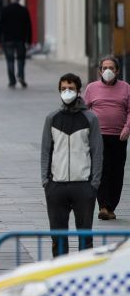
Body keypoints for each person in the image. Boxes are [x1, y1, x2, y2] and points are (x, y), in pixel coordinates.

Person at [41, 73, 103, 255]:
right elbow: (45, 151)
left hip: (83, 185)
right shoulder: (51, 118)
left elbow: (97, 152)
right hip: (56, 186)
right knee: (58, 238)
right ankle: (60, 276)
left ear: (78, 91)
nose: (67, 92)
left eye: (71, 88)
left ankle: (84, 276)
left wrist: (94, 184)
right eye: (63, 89)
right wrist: (46, 181)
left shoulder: (90, 119)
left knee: (85, 238)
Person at [84, 55, 130, 220]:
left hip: (119, 137)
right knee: (101, 171)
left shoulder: (126, 88)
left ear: (117, 71)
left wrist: (127, 128)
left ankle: (111, 207)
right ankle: (103, 206)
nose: (108, 71)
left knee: (116, 172)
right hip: (99, 136)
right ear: (100, 71)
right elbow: (84, 110)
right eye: (105, 68)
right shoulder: (91, 88)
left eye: (111, 68)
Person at [0, 0, 31, 88]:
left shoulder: (5, 10)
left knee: (10, 60)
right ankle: (20, 75)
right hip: (20, 39)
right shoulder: (24, 10)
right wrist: (28, 40)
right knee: (21, 59)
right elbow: (28, 26)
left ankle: (12, 80)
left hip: (8, 39)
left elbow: (0, 26)